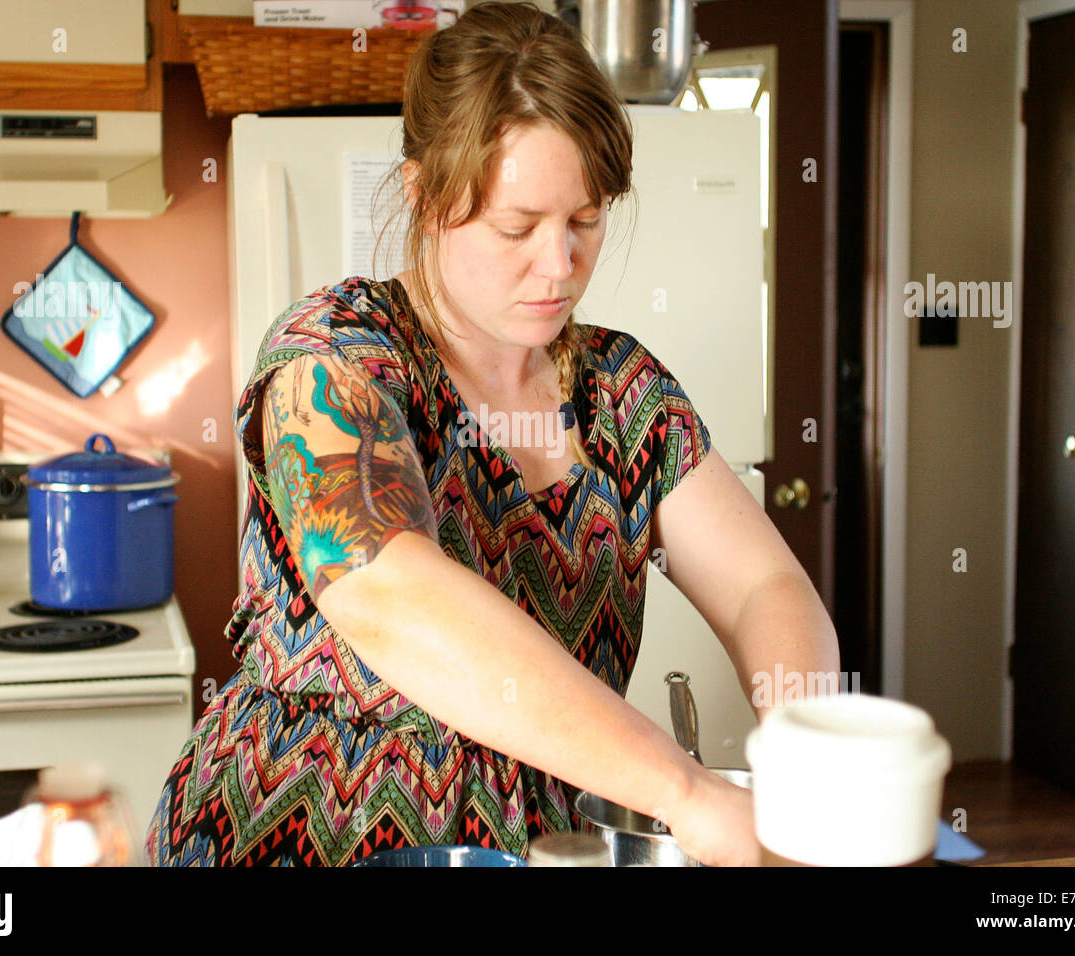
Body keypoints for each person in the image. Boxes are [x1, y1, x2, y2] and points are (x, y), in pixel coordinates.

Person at [145, 0, 839, 867]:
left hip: (550, 848)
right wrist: (681, 789)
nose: (560, 266)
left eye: (585, 221)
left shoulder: (624, 394)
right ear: (423, 196)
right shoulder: (333, 357)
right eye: (517, 227)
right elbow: (387, 592)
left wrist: (805, 752)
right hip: (299, 838)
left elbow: (761, 585)